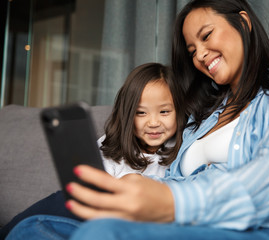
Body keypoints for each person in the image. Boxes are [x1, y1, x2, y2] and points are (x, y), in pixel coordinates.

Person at [6, 0, 269, 239]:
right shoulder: (200, 121)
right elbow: (168, 181)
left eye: (206, 36)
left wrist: (170, 202)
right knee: (33, 231)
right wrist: (141, 187)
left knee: (103, 233)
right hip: (185, 227)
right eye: (191, 50)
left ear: (243, 23)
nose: (200, 55)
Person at [1, 62, 186, 239]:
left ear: (179, 111)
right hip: (89, 215)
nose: (153, 123)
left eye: (164, 112)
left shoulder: (181, 152)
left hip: (123, 224)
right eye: (141, 113)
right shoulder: (112, 148)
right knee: (53, 208)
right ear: (128, 115)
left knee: (34, 227)